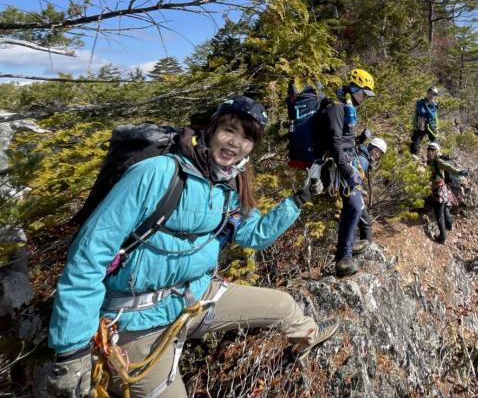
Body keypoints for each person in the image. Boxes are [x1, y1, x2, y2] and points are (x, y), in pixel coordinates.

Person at [46, 97, 338, 398]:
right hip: (135, 321)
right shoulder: (159, 173)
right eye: (230, 130)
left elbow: (254, 236)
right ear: (212, 129)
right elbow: (88, 258)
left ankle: (307, 338)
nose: (235, 143)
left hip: (194, 297)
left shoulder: (228, 186)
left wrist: (300, 198)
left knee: (286, 307)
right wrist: (71, 350)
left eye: (247, 137)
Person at [314, 68, 376, 277]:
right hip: (340, 165)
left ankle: (347, 248)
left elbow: (344, 141)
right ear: (355, 88)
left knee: (355, 206)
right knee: (355, 205)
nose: (365, 98)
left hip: (345, 161)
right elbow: (334, 144)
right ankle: (343, 258)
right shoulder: (336, 108)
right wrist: (348, 171)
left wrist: (360, 140)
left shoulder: (346, 108)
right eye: (364, 93)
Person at [351, 134, 387, 257]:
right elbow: (354, 178)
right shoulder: (363, 159)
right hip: (352, 194)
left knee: (356, 222)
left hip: (351, 193)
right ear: (370, 147)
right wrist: (359, 191)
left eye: (379, 154)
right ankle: (365, 252)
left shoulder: (362, 156)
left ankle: (354, 250)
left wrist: (362, 191)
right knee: (365, 223)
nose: (377, 155)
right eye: (376, 151)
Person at [425, 142, 468, 245]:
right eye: (429, 151)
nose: (430, 153)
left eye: (432, 151)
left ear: (436, 152)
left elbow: (449, 167)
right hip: (442, 189)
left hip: (438, 191)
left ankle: (442, 238)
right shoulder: (430, 162)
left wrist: (459, 172)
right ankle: (449, 225)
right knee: (444, 208)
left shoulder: (438, 162)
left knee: (439, 214)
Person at [410, 87, 439, 154]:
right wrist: (429, 111)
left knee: (435, 142)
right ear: (427, 93)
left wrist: (426, 107)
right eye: (431, 93)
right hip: (420, 125)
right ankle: (413, 155)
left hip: (431, 125)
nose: (432, 96)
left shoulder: (434, 105)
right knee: (415, 143)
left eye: (434, 94)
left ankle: (435, 157)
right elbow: (422, 113)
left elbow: (432, 116)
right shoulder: (420, 102)